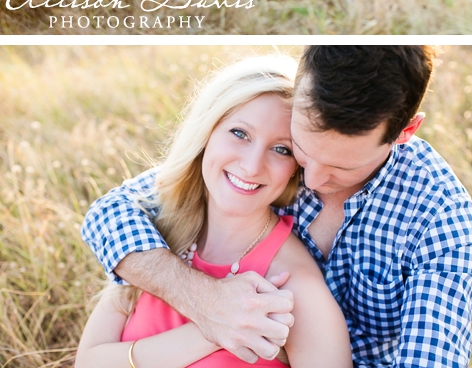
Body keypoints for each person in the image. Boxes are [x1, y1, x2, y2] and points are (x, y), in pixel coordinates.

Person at [81, 45, 472, 368]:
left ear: (405, 132)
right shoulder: (212, 197)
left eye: (343, 166)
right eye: (302, 151)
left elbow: (432, 359)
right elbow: (110, 212)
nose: (311, 182)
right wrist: (207, 306)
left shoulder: (438, 216)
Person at [75, 54, 351, 368]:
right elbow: (88, 361)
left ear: (295, 166)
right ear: (206, 133)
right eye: (240, 133)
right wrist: (214, 325)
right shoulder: (155, 239)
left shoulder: (292, 290)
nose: (251, 166)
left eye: (281, 149)